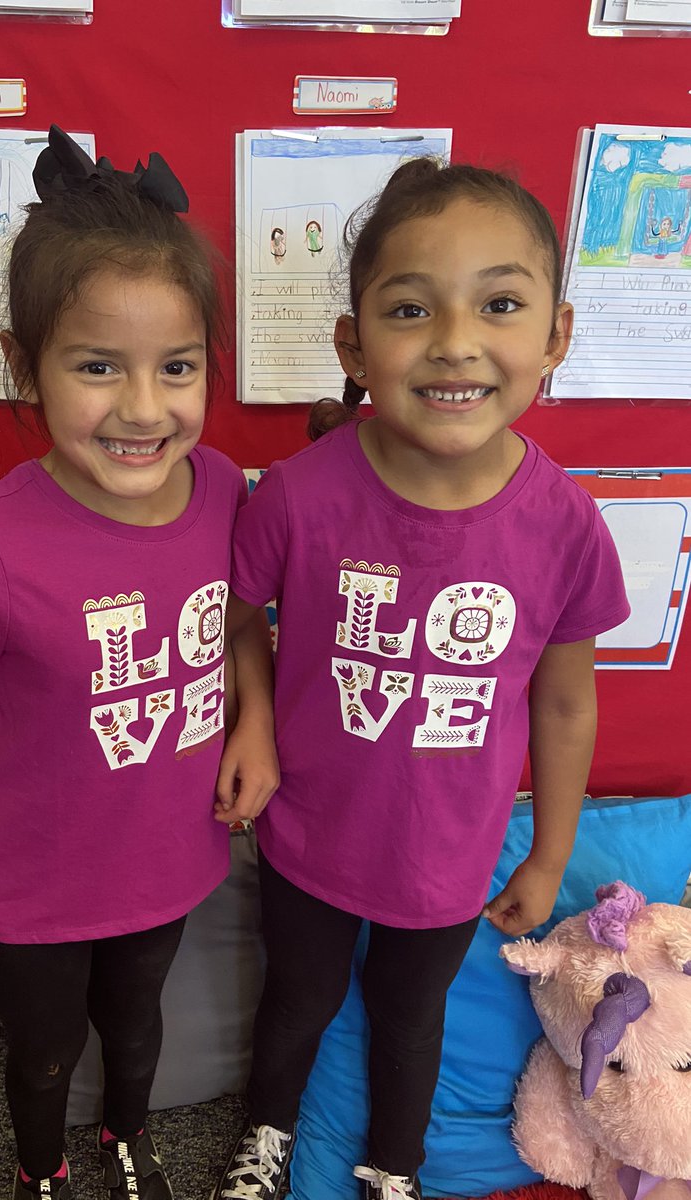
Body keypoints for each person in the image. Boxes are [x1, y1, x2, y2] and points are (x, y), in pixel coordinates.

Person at [212, 158, 630, 1200]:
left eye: (498, 303)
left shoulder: (564, 524)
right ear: (355, 343)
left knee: (411, 1017)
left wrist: (552, 850)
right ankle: (265, 1134)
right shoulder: (300, 497)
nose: (454, 340)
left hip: (446, 856)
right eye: (410, 308)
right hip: (308, 833)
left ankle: (393, 1168)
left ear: (555, 336)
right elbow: (237, 615)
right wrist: (254, 725)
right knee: (297, 999)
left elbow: (567, 700)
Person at [0, 126, 277, 1200]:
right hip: (33, 885)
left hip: (168, 855)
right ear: (28, 365)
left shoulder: (222, 491)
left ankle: (126, 1142)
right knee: (44, 1051)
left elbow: (241, 619)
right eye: (97, 367)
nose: (142, 409)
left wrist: (254, 722)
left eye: (177, 368)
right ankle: (44, 1170)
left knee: (138, 1021)